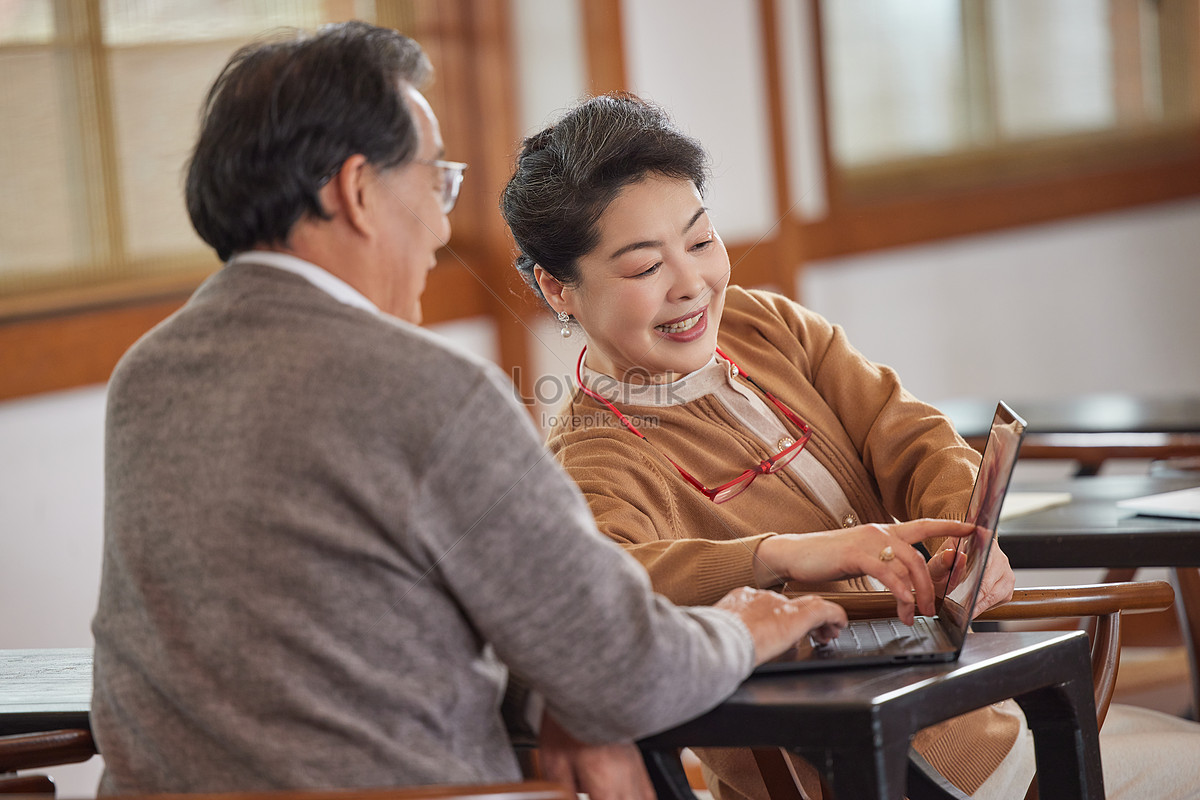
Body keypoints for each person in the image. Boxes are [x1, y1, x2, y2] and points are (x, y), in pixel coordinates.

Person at [89, 25, 858, 797]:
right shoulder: (430, 392)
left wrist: (557, 693)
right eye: (436, 182)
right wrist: (746, 625)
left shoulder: (146, 377)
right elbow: (626, 670)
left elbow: (339, 630)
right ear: (356, 192)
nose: (441, 226)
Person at [500, 93, 1200, 800]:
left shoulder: (765, 324)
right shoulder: (592, 453)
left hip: (968, 720)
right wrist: (779, 554)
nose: (691, 285)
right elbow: (610, 587)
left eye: (702, 241)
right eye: (645, 267)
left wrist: (968, 536)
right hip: (872, 770)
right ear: (560, 289)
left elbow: (909, 433)